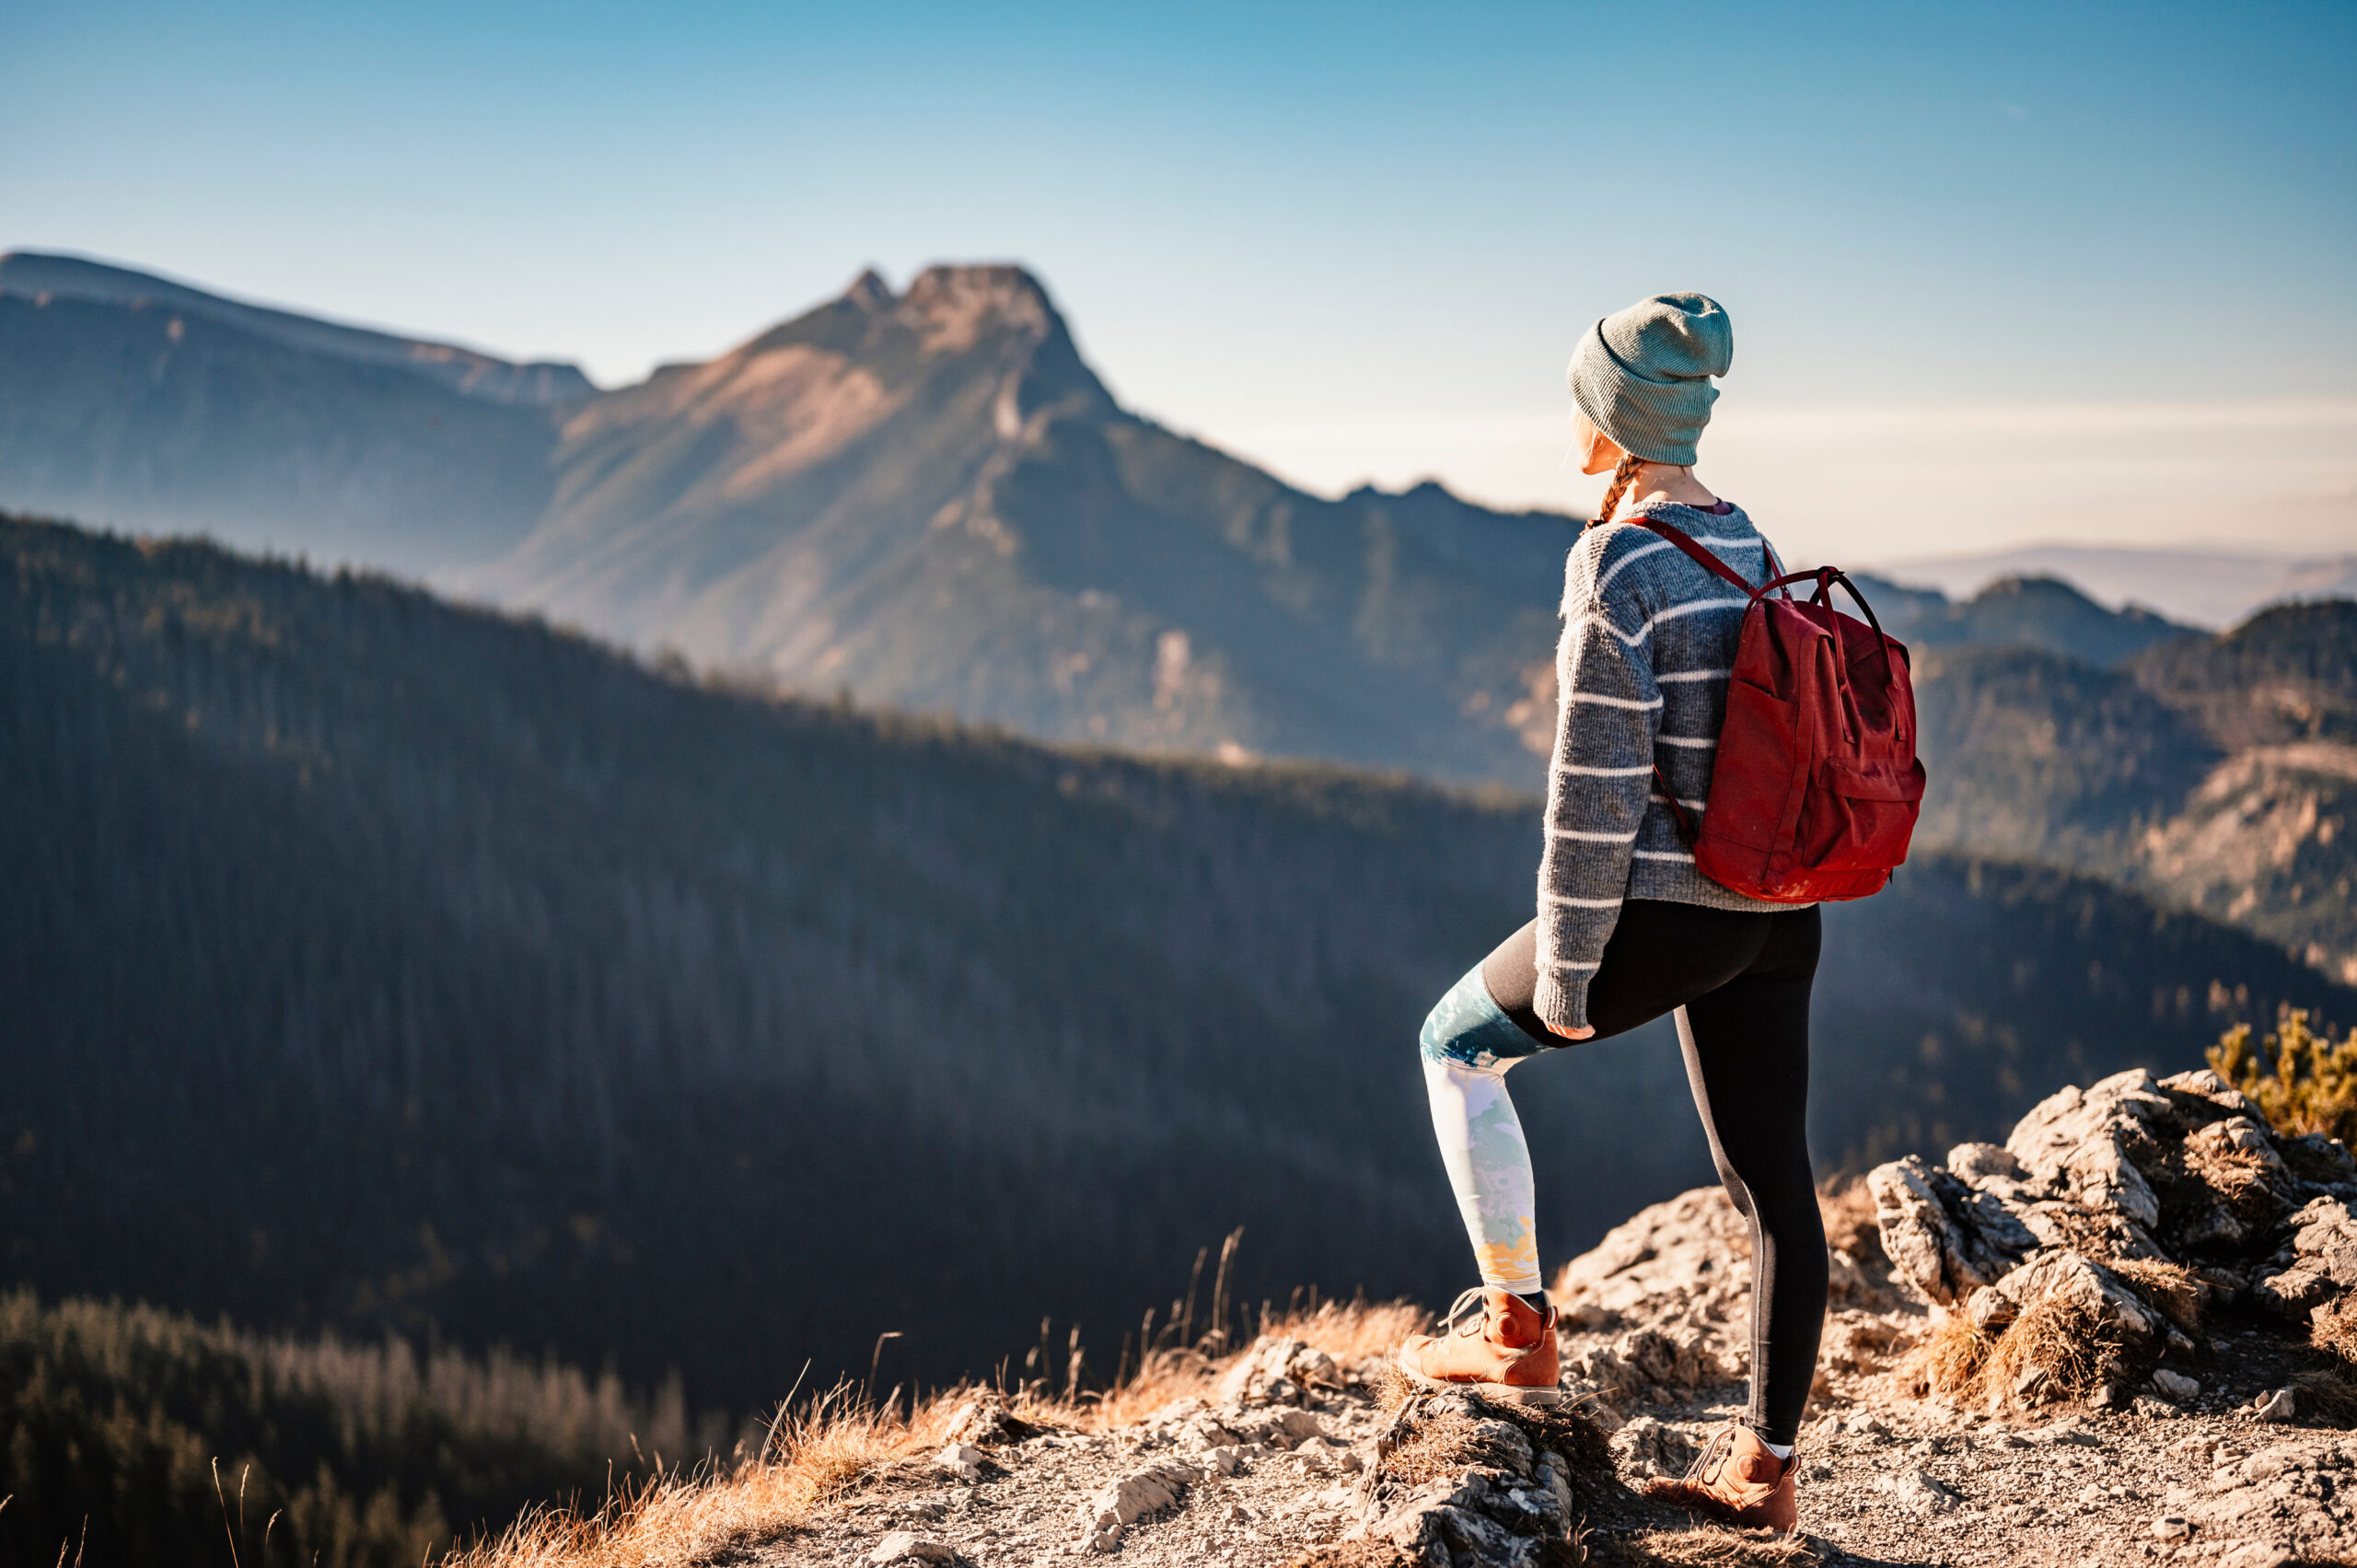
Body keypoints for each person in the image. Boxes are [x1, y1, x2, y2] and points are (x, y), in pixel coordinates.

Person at [1394, 293, 1824, 1535]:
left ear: (1613, 417)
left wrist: (1574, 976)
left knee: (1453, 1048)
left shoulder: (1619, 561)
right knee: (1773, 1186)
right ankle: (1767, 1474)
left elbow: (1589, 798)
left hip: (1669, 911)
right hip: (1778, 910)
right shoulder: (1748, 539)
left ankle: (1516, 1330)